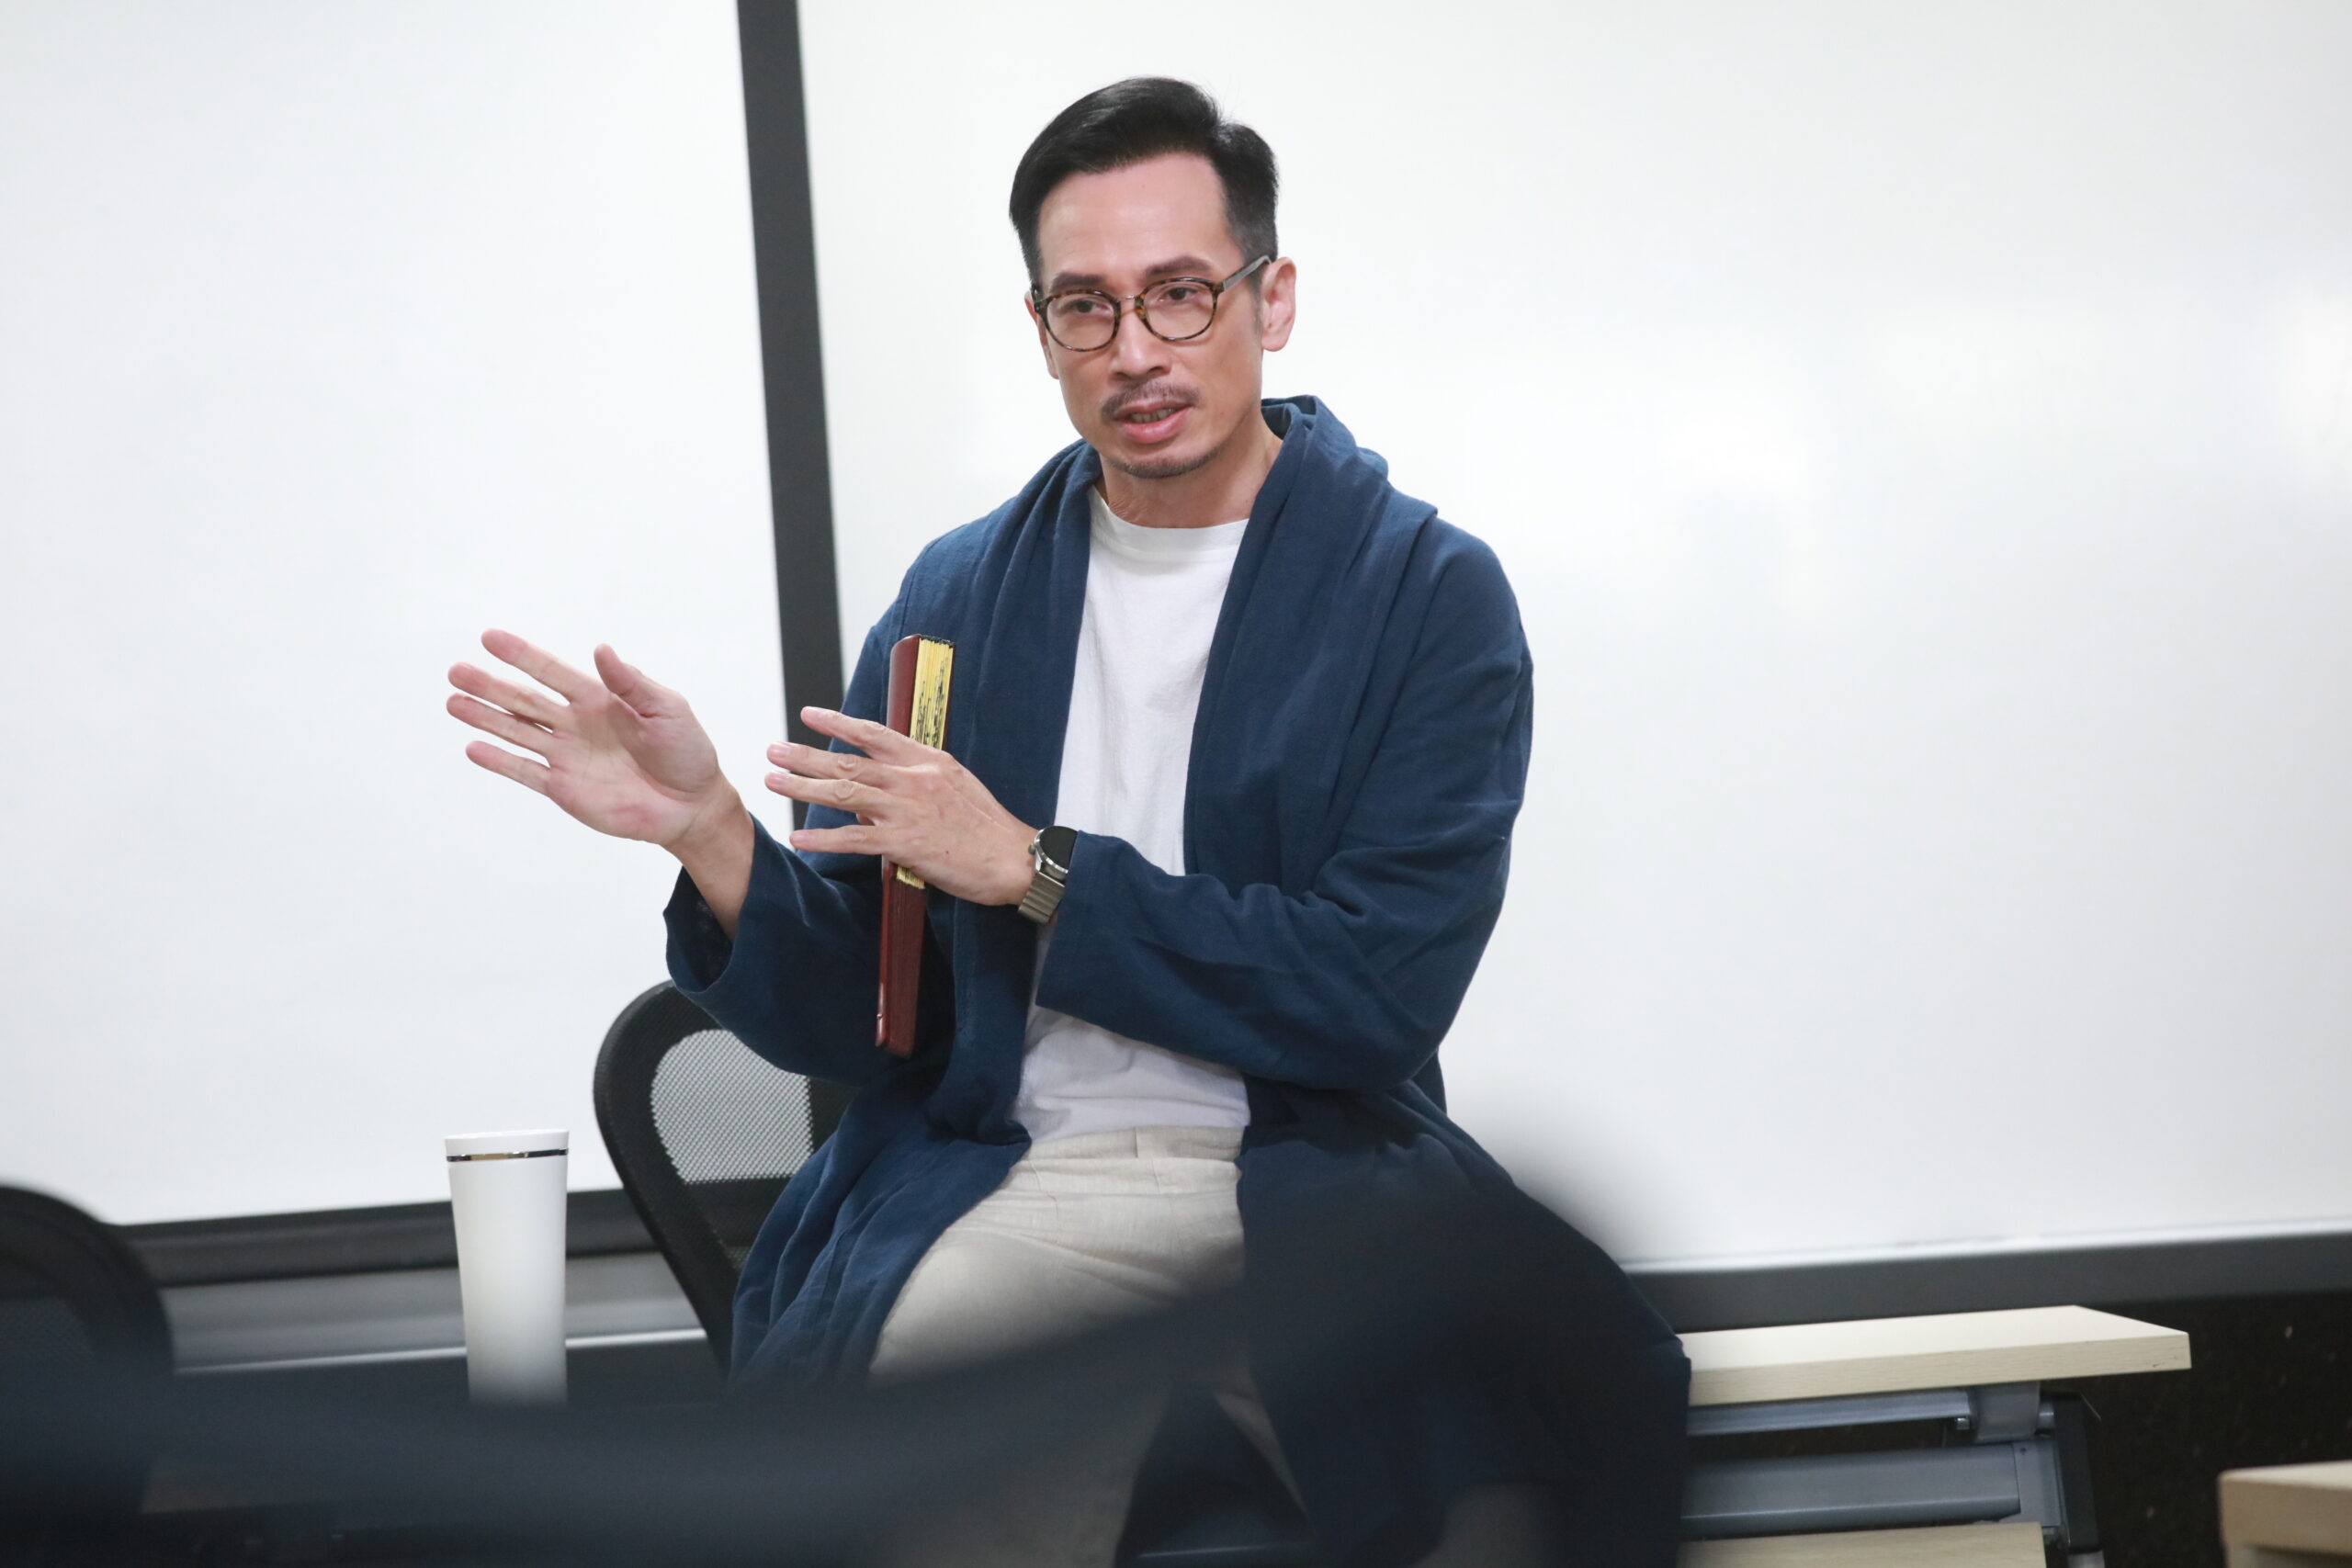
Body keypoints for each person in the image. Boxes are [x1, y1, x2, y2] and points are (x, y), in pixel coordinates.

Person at [447, 77, 1687, 1568]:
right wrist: (708, 831)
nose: (1136, 350)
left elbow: (1375, 994)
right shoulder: (958, 599)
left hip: (1312, 1179)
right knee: (915, 1427)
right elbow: (869, 1023)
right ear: (1042, 332)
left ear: (1272, 298)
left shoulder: (1424, 594)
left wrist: (1033, 872)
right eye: (1086, 308)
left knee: (1509, 1457)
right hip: (1012, 1171)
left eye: (1181, 293)